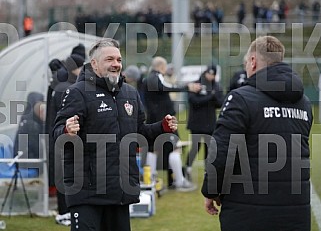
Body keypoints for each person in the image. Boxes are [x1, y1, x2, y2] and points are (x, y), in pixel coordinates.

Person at [53, 38, 178, 231]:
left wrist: (162, 127)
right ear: (94, 64)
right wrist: (66, 131)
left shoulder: (130, 93)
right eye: (110, 59)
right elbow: (57, 133)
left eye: (119, 60)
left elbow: (138, 133)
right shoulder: (77, 92)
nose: (116, 64)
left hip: (119, 190)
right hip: (87, 191)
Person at [201, 35, 312, 231]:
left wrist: (211, 191)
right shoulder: (304, 103)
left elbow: (221, 152)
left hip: (248, 215)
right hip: (296, 214)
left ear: (253, 61)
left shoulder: (240, 98)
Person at [143, 56, 201, 191]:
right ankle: (180, 181)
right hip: (164, 121)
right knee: (175, 148)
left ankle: (150, 179)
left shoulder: (146, 79)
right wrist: (187, 87)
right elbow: (167, 87)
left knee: (153, 149)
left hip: (152, 121)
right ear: (162, 67)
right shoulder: (156, 77)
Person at [47, 53, 85, 226]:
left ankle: (65, 210)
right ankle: (65, 212)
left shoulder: (57, 84)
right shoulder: (67, 88)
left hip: (56, 134)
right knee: (65, 174)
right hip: (64, 135)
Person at [185, 65, 223, 181]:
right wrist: (209, 96)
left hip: (209, 122)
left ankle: (208, 171)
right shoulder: (196, 84)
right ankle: (187, 168)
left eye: (213, 74)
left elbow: (220, 102)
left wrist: (213, 96)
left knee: (209, 147)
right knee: (195, 146)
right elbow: (193, 101)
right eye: (209, 73)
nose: (210, 76)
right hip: (196, 122)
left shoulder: (216, 86)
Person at [13, 92, 46, 177]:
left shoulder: (28, 118)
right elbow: (36, 147)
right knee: (50, 164)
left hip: (24, 158)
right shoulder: (31, 123)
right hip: (25, 161)